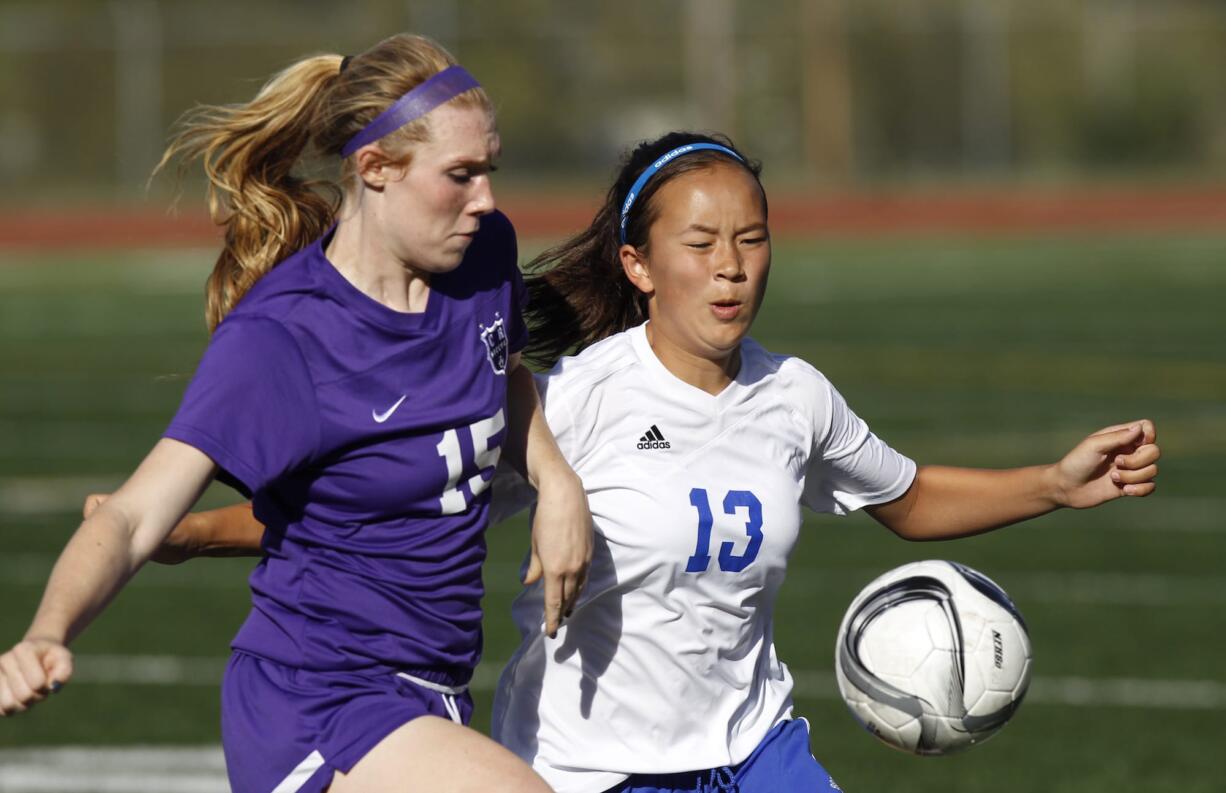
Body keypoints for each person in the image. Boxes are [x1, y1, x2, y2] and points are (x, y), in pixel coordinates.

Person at [82, 131, 1161, 792]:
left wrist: (1053, 485)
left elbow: (908, 495)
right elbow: (402, 503)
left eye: (751, 240)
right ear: (639, 265)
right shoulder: (580, 400)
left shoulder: (794, 395)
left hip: (752, 751)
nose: (731, 270)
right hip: (590, 769)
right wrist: (188, 530)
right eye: (700, 246)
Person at [0, 34, 592, 793]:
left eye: (491, 170)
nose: (487, 199)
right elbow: (127, 517)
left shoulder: (481, 258)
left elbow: (504, 369)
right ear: (375, 168)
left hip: (429, 692)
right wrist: (46, 634)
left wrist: (554, 477)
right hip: (318, 698)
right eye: (461, 175)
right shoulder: (284, 338)